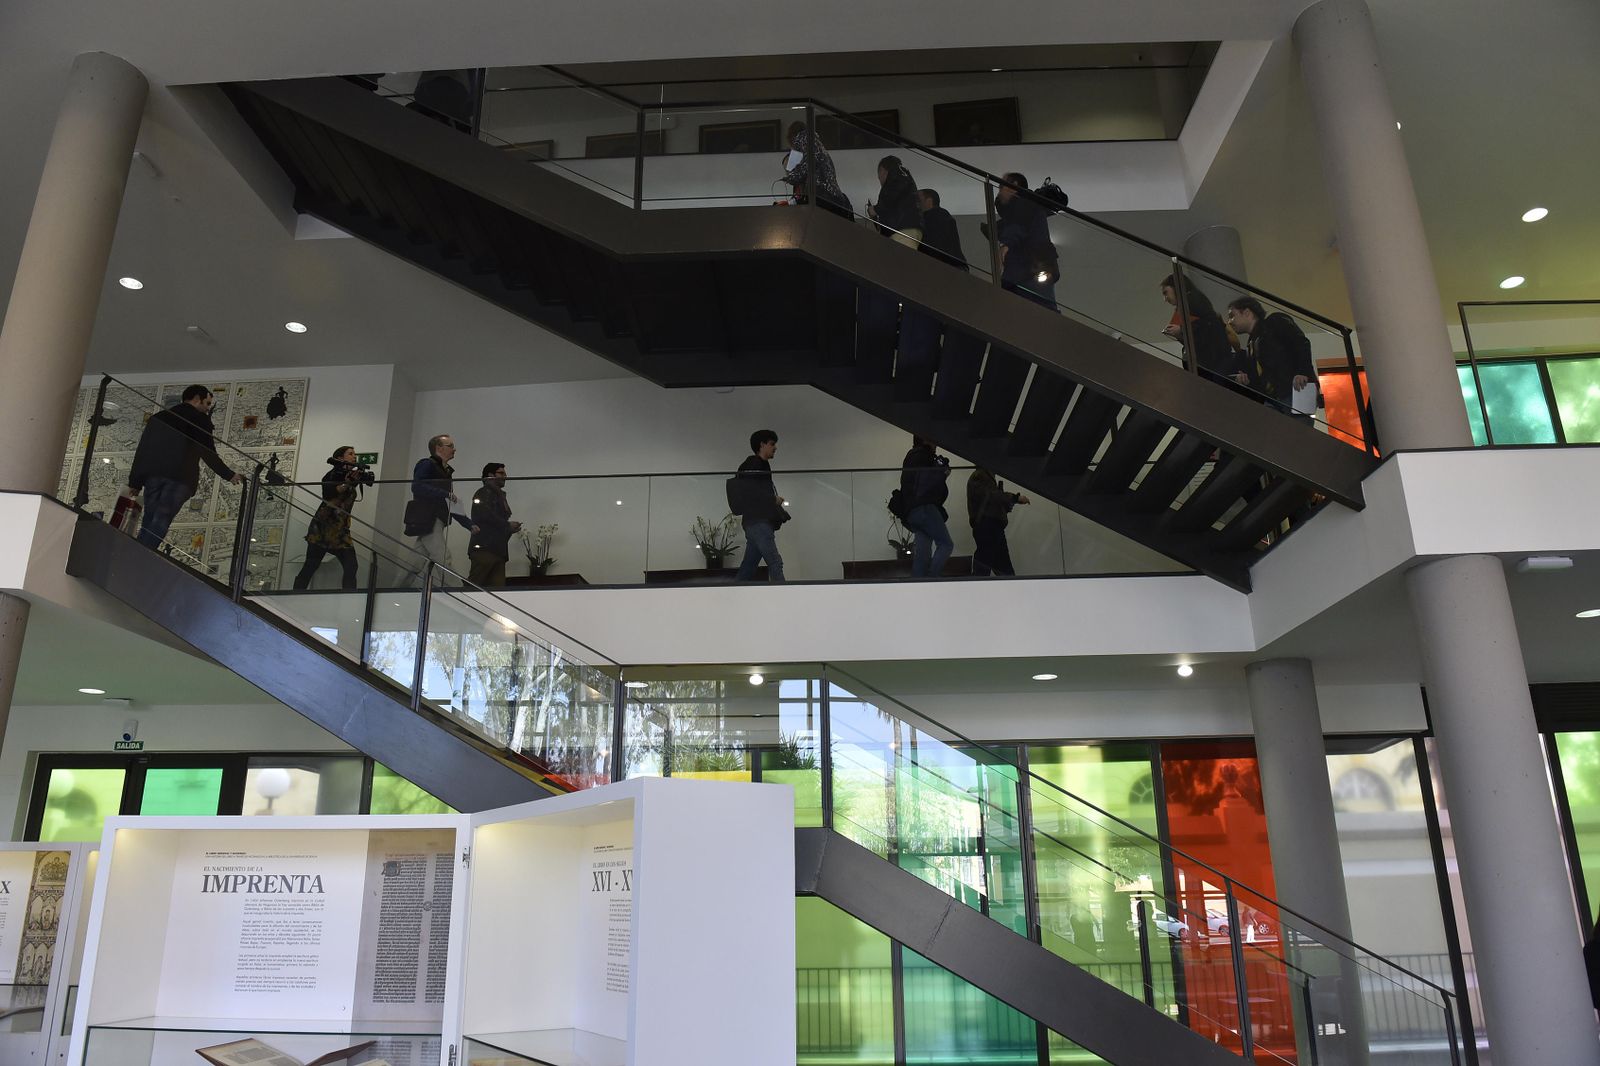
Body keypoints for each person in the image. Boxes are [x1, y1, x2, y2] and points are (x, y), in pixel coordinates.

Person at [126, 384, 244, 550]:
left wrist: (135, 482)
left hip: (154, 476)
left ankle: (137, 552)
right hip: (181, 478)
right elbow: (207, 452)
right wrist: (229, 475)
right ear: (197, 399)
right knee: (162, 519)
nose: (208, 408)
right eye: (207, 403)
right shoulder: (199, 419)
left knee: (149, 519)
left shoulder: (159, 417)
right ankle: (141, 553)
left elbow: (144, 450)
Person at [1225, 297, 1318, 417]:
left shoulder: (1274, 322)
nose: (1230, 321)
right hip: (1277, 397)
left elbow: (1300, 343)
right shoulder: (1251, 344)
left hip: (1296, 389)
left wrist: (1303, 372)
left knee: (1298, 427)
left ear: (1247, 312)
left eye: (1232, 315)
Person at [292, 447, 364, 590]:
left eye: (354, 454)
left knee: (351, 566)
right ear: (340, 458)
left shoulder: (350, 476)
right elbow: (329, 493)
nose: (354, 456)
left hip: (340, 530)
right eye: (350, 454)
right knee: (311, 565)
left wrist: (356, 479)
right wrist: (347, 483)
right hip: (323, 528)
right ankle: (295, 594)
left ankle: (349, 597)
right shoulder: (332, 475)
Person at [1160, 274, 1243, 387]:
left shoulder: (1191, 300)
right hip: (1210, 361)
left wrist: (1181, 330)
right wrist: (1180, 333)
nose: (1165, 299)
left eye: (1165, 293)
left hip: (1212, 361)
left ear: (1175, 286)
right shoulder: (1189, 301)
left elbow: (1207, 326)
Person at [993, 173, 1058, 309]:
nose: (999, 193)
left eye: (1001, 187)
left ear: (1014, 186)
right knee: (1042, 312)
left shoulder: (1023, 204)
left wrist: (1006, 244)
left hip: (1027, 271)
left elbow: (1016, 228)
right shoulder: (1030, 206)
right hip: (1034, 269)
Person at [406, 434, 467, 575]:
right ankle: (455, 588)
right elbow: (417, 486)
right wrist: (445, 493)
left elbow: (449, 502)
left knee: (415, 562)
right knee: (443, 558)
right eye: (450, 446)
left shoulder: (444, 470)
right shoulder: (427, 464)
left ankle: (398, 587)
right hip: (430, 517)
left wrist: (469, 524)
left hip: (432, 518)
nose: (454, 449)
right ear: (438, 448)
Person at [732, 430, 787, 583]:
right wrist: (773, 499)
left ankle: (734, 593)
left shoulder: (753, 464)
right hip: (759, 522)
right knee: (775, 562)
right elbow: (752, 492)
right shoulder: (756, 464)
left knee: (748, 567)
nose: (775, 447)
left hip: (753, 522)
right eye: (772, 444)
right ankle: (784, 594)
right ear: (762, 445)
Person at [900, 435, 953, 579]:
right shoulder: (924, 455)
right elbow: (928, 482)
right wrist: (942, 472)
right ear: (925, 440)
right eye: (933, 441)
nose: (936, 445)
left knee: (923, 552)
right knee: (946, 544)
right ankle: (932, 579)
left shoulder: (911, 457)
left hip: (912, 511)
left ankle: (919, 583)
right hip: (925, 506)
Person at [966, 468, 1030, 577]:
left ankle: (982, 583)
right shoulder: (981, 475)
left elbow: (990, 498)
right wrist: (1014, 498)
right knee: (993, 562)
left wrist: (1007, 501)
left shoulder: (982, 476)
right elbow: (993, 496)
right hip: (988, 525)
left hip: (990, 525)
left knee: (995, 561)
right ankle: (982, 583)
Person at [781, 122, 852, 219]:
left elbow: (802, 172)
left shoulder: (803, 141)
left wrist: (790, 178)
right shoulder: (816, 143)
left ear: (792, 137)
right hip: (833, 198)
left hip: (822, 198)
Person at [468, 462, 521, 587]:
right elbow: (485, 515)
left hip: (494, 549)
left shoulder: (494, 494)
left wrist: (508, 528)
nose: (505, 476)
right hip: (486, 548)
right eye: (501, 473)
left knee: (493, 589)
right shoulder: (485, 492)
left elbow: (489, 517)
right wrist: (507, 525)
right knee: (475, 586)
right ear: (490, 475)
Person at [866, 155, 923, 249]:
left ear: (882, 170)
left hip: (902, 230)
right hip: (908, 228)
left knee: (900, 257)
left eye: (879, 176)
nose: (880, 180)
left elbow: (890, 197)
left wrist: (875, 209)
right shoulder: (904, 177)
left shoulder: (896, 179)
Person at [917, 189, 967, 272]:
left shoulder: (932, 217)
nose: (916, 203)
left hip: (945, 265)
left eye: (918, 199)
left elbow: (932, 243)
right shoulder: (943, 216)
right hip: (955, 264)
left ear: (929, 200)